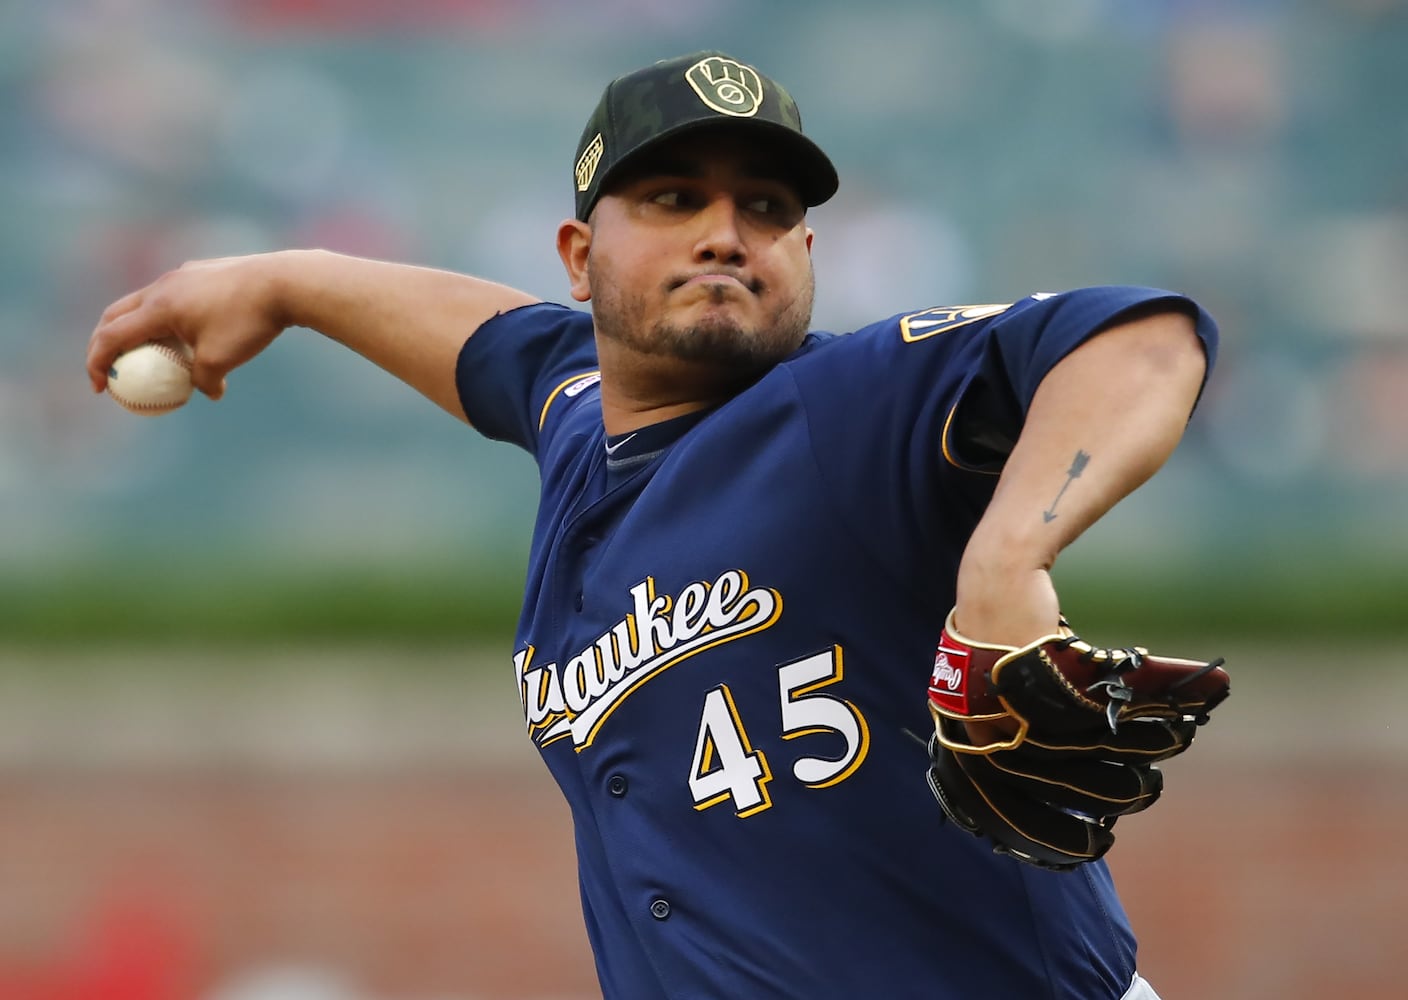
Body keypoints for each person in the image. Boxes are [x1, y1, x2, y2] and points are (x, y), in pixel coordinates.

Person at [86, 51, 1217, 1000]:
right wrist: (286, 279)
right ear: (580, 259)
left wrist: (1005, 561)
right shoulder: (578, 415)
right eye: (674, 200)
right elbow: (484, 340)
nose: (724, 233)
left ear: (806, 260)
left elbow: (1141, 341)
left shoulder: (853, 407)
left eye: (765, 209)